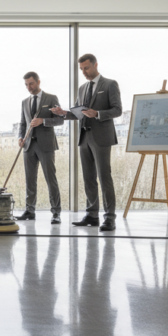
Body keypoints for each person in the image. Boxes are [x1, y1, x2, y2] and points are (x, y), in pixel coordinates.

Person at [52, 53, 122, 231]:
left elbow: (117, 110)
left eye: (86, 68)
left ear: (96, 65)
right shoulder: (82, 88)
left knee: (104, 177)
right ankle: (92, 215)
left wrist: (97, 114)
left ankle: (110, 218)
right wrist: (63, 113)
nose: (84, 72)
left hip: (101, 137)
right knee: (88, 178)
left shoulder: (110, 84)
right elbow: (77, 113)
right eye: (81, 69)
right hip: (84, 137)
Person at [16, 71, 64, 224]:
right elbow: (23, 123)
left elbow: (60, 120)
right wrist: (20, 137)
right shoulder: (24, 102)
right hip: (28, 146)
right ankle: (30, 210)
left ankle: (56, 213)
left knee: (51, 179)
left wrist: (43, 121)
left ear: (38, 82)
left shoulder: (51, 98)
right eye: (26, 85)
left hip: (46, 145)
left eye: (31, 84)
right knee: (30, 180)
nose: (29, 87)